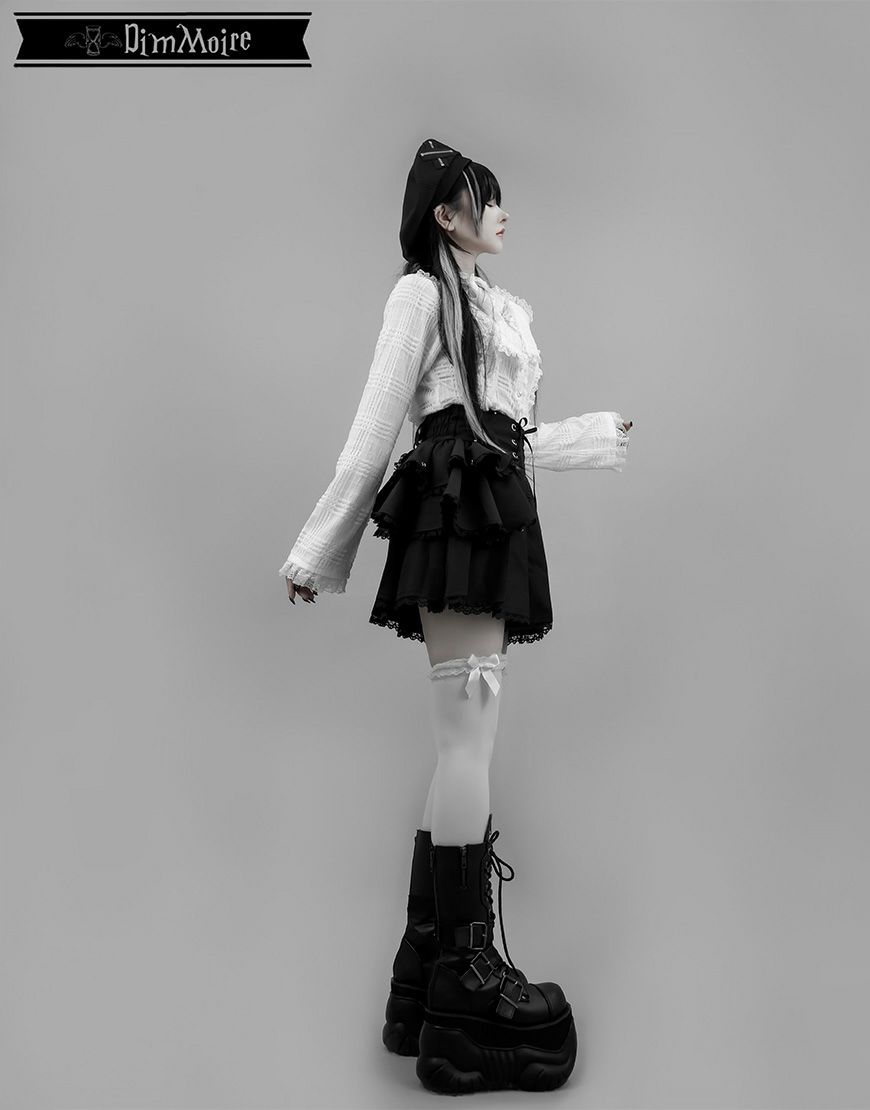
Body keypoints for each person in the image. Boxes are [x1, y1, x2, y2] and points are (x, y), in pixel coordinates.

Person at [278, 138, 632, 1095]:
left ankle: (427, 972)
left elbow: (506, 433)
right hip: (454, 514)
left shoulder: (495, 308)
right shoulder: (421, 296)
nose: (503, 212)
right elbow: (377, 427)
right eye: (487, 198)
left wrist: (596, 437)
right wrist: (320, 549)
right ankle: (462, 979)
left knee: (465, 742)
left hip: (489, 507)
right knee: (467, 743)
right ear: (446, 213)